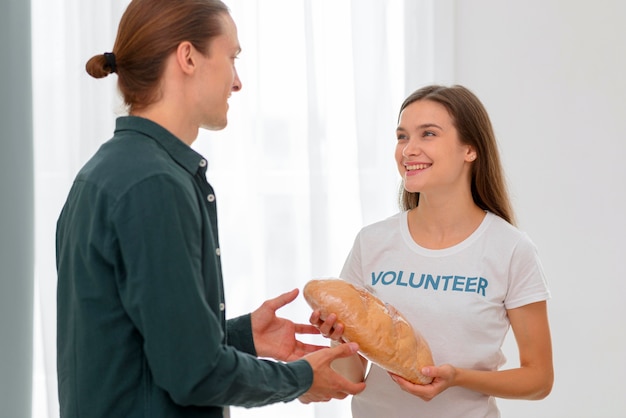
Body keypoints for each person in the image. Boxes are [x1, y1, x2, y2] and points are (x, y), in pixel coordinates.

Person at [55, 0, 365, 417]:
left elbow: (143, 349)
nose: (237, 82)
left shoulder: (106, 172)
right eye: (231, 57)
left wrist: (240, 336)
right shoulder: (155, 185)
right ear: (187, 57)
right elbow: (195, 374)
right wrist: (300, 378)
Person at [310, 84, 553, 417]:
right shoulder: (372, 241)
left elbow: (539, 379)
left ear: (470, 149)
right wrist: (339, 338)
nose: (409, 149)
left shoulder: (510, 249)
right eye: (402, 136)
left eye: (428, 134)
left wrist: (457, 378)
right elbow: (351, 376)